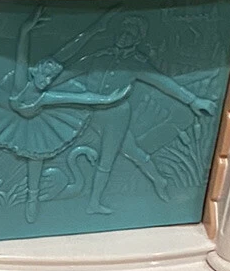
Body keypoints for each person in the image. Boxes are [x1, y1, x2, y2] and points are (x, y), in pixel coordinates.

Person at [0, 6, 131, 223]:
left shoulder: (45, 96)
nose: (47, 81)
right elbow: (22, 56)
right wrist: (25, 31)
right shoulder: (21, 84)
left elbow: (80, 98)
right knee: (60, 60)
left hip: (38, 125)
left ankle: (32, 199)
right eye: (45, 75)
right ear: (36, 71)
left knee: (36, 156)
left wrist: (107, 100)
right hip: (9, 120)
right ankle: (31, 199)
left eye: (50, 78)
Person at [66, 15, 217, 214]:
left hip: (116, 116)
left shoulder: (136, 63)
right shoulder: (100, 56)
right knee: (132, 150)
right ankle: (159, 179)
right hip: (91, 113)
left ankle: (94, 203)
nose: (124, 37)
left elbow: (163, 82)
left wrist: (193, 100)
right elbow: (72, 71)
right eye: (122, 32)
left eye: (130, 34)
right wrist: (44, 82)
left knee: (107, 158)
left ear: (137, 39)